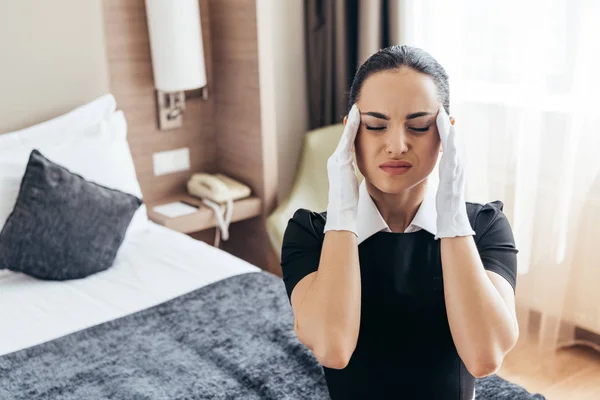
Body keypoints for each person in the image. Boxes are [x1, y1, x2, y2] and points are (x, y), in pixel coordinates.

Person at [280, 45, 520, 399]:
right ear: (350, 132)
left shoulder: (484, 226)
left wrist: (452, 215)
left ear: (445, 134)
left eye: (419, 127)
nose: (396, 145)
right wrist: (343, 210)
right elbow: (333, 349)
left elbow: (484, 357)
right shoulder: (311, 234)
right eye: (375, 126)